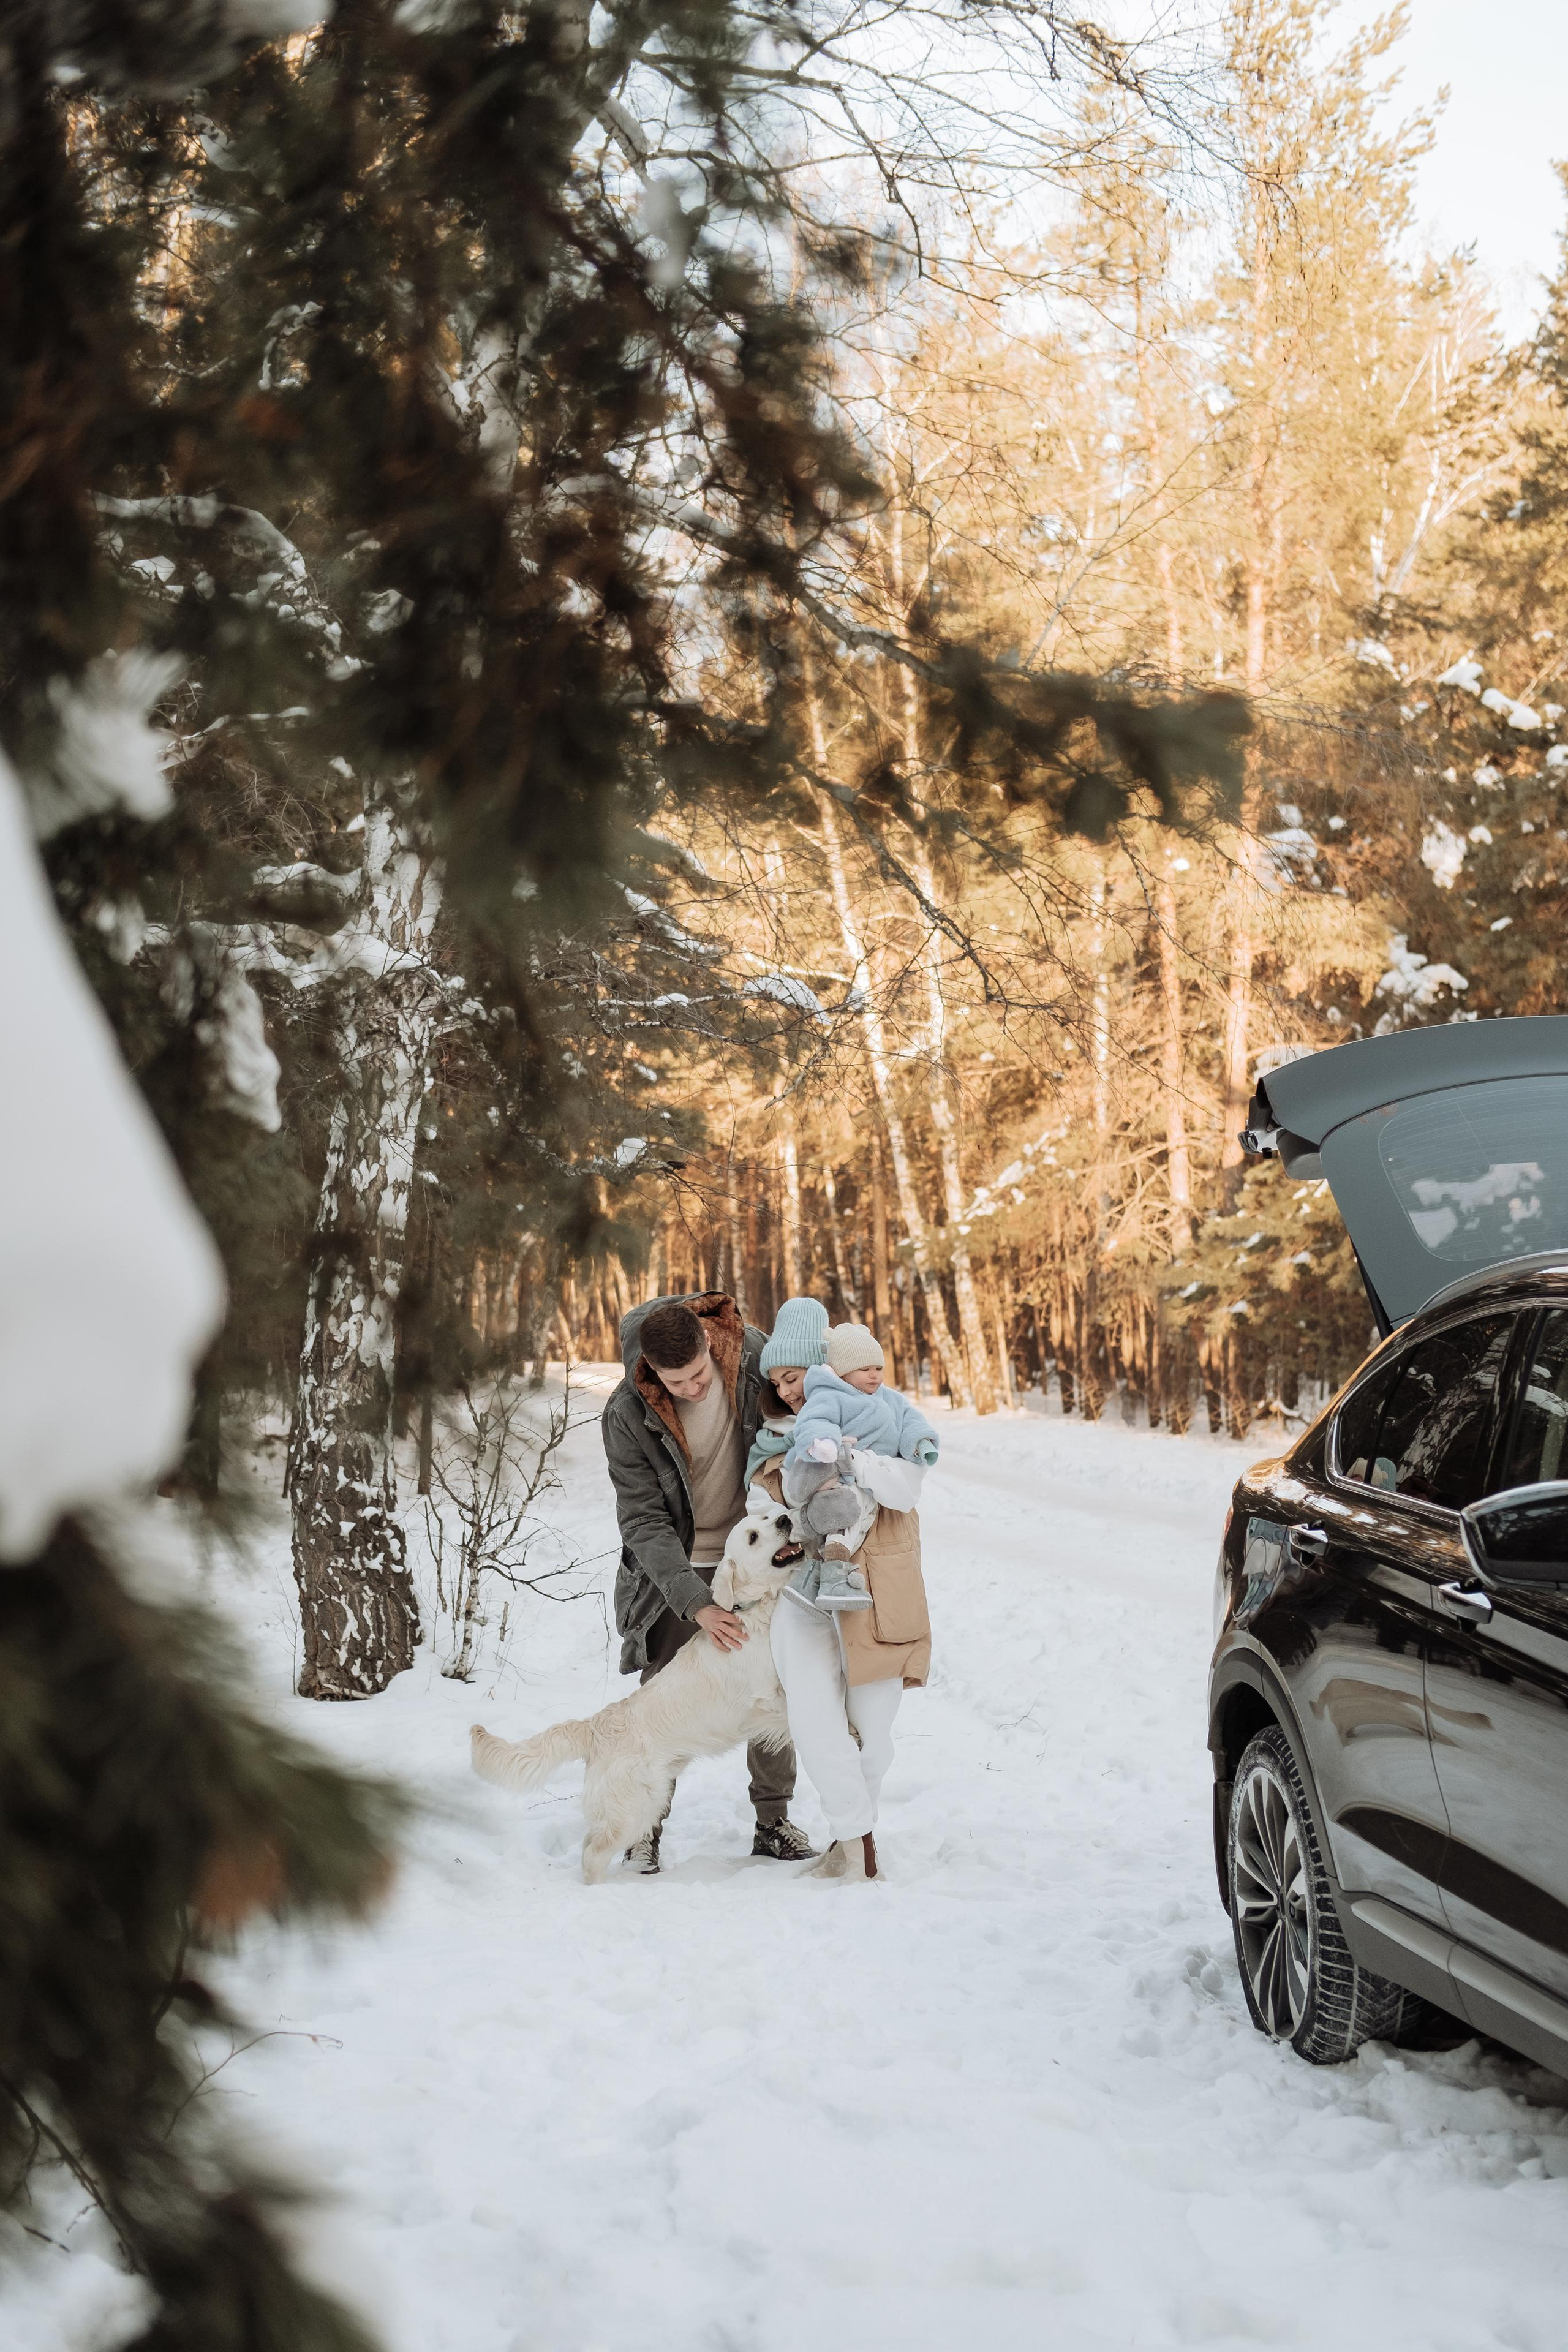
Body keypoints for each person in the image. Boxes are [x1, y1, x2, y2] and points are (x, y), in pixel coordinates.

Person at [600, 1291, 817, 1874]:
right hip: (679, 1565)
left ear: (709, 1345)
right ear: (652, 1372)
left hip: (762, 1549)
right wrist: (696, 1601)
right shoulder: (625, 1413)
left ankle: (773, 1821)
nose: (694, 1390)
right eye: (679, 1384)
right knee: (664, 1697)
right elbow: (643, 1520)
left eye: (699, 1375)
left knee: (776, 1684)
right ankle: (643, 1829)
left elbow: (809, 1395)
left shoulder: (752, 1357)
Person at [750, 1302, 933, 1885]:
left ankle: (852, 1836)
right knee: (815, 1717)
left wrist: (853, 1457)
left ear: (821, 1366)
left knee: (873, 1732)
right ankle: (857, 1843)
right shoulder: (772, 1438)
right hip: (804, 1596)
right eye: (777, 1382)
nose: (786, 1390)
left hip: (881, 1593)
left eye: (793, 1375)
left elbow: (906, 1490)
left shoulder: (886, 1415)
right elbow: (767, 1508)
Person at [780, 1322, 939, 1613]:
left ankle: (812, 1580)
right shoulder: (831, 1394)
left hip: (872, 1477)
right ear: (843, 1371)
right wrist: (823, 1442)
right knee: (846, 1517)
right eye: (865, 1368)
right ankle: (835, 1579)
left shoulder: (890, 1398)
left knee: (856, 1519)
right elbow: (814, 1421)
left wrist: (921, 1442)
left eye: (878, 1367)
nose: (875, 1375)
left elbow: (911, 1420)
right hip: (838, 1474)